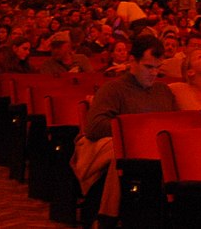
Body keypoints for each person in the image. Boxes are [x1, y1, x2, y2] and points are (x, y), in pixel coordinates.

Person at [74, 34, 176, 224]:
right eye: (148, 67)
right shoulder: (114, 89)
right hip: (128, 152)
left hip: (155, 153)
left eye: (157, 67)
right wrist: (136, 130)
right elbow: (94, 127)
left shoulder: (163, 91)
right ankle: (108, 217)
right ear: (132, 61)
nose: (154, 73)